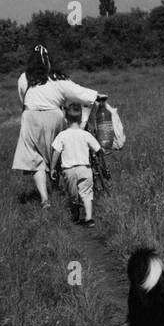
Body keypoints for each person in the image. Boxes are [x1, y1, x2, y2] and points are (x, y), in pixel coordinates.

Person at [13, 45, 106, 207]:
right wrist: (95, 95)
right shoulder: (56, 77)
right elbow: (77, 91)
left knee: (36, 160)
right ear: (48, 60)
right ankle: (55, 190)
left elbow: (23, 99)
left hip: (30, 117)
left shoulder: (24, 78)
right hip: (54, 116)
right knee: (55, 154)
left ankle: (44, 198)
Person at [49, 102, 102, 227]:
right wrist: (101, 153)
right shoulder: (86, 134)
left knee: (72, 194)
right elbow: (98, 149)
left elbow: (56, 152)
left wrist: (52, 168)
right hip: (85, 169)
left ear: (66, 119)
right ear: (80, 119)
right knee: (87, 194)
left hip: (69, 170)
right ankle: (89, 218)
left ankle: (75, 213)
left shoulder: (62, 135)